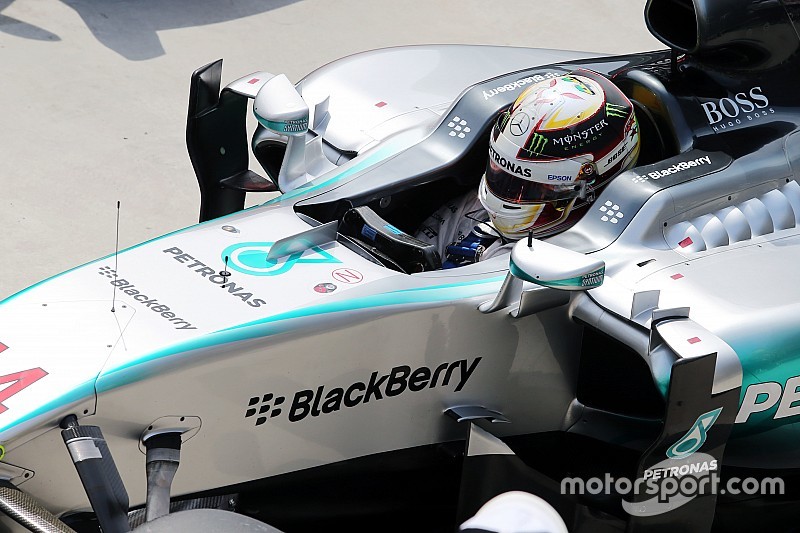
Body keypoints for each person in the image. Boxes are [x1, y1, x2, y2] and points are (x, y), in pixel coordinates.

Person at [415, 69, 640, 268]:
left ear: (590, 180)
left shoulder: (576, 261)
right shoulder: (474, 205)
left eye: (536, 186)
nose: (508, 196)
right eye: (503, 173)